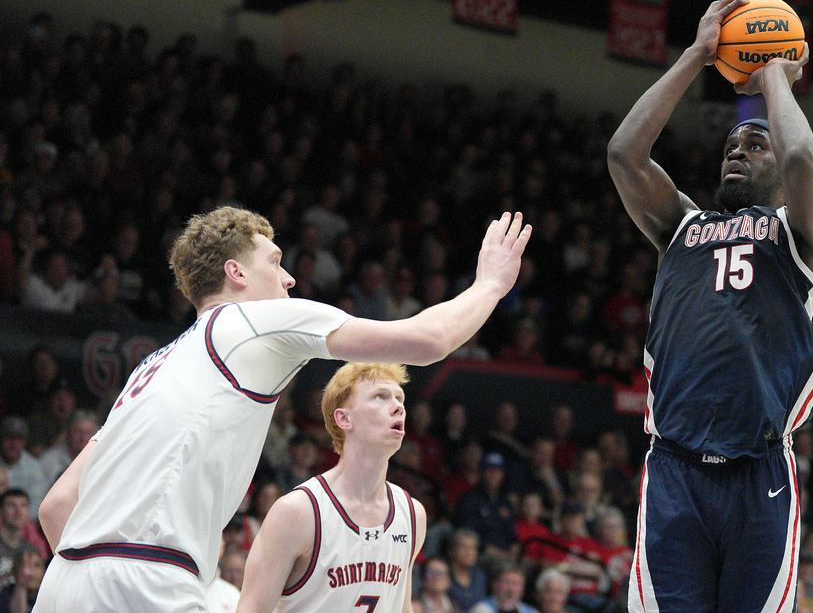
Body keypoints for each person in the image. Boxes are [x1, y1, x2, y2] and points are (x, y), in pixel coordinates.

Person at [35, 205, 531, 612]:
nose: (290, 278)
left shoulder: (154, 366)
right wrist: (490, 284)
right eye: (275, 262)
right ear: (236, 272)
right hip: (150, 577)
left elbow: (56, 506)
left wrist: (93, 582)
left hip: (65, 582)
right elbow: (428, 340)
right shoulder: (255, 321)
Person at [607, 0, 813, 612]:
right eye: (732, 143)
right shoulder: (679, 226)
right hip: (676, 470)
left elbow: (798, 156)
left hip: (759, 474)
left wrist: (772, 78)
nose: (739, 150)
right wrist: (696, 55)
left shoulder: (803, 233)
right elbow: (624, 154)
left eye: (753, 144)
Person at [236, 362, 425, 612]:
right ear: (344, 418)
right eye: (381, 396)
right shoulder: (297, 512)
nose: (398, 406)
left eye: (399, 398)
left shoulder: (412, 515)